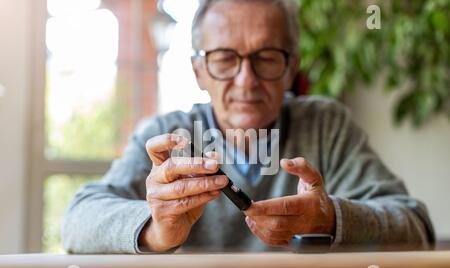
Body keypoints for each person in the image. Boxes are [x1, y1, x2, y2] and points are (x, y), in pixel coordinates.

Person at [62, 0, 435, 254]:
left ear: (291, 68)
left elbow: (416, 228)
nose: (246, 80)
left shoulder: (326, 126)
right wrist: (155, 229)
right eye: (225, 59)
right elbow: (77, 221)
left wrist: (330, 218)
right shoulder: (168, 138)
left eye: (266, 58)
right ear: (198, 71)